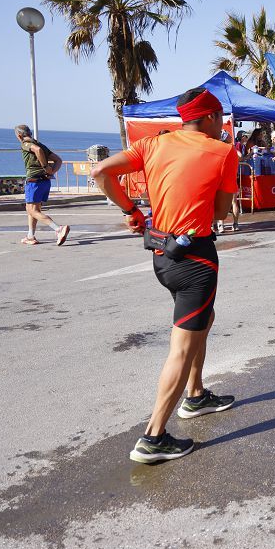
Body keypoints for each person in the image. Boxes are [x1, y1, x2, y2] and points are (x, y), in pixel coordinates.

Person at [90, 87, 239, 464]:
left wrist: (130, 210)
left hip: (161, 253)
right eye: (219, 116)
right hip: (196, 261)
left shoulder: (153, 144)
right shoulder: (223, 151)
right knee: (182, 346)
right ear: (208, 118)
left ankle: (196, 394)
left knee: (204, 319)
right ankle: (153, 437)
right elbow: (221, 213)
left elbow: (100, 171)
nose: (222, 124)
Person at [14, 125, 70, 246]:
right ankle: (30, 236)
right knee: (33, 209)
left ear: (19, 136)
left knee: (32, 210)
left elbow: (36, 150)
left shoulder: (25, 144)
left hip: (34, 181)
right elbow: (58, 160)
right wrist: (51, 171)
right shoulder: (42, 145)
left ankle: (58, 229)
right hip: (45, 181)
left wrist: (45, 167)